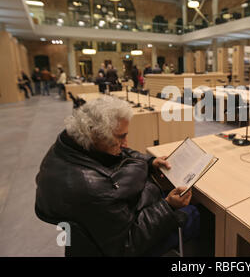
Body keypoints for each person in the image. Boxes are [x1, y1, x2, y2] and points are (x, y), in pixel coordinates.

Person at [35, 96, 199, 256]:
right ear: (95, 135)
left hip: (94, 233)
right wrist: (168, 207)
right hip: (115, 245)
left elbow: (121, 153)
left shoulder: (71, 143)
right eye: (121, 137)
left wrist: (150, 161)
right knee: (193, 212)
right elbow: (127, 244)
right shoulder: (93, 188)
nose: (126, 143)